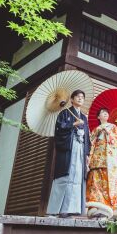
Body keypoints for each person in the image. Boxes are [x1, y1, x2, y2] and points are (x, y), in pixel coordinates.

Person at [46, 89, 91, 217]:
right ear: (71, 99)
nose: (80, 99)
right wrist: (73, 124)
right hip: (69, 149)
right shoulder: (65, 113)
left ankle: (70, 209)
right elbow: (59, 129)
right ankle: (56, 210)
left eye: (82, 97)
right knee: (65, 177)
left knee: (77, 178)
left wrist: (87, 154)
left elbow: (87, 137)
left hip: (81, 150)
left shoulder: (83, 116)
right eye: (77, 97)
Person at [86, 107, 117, 219]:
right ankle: (95, 209)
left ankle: (105, 210)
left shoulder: (113, 127)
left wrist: (109, 134)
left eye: (107, 112)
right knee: (95, 182)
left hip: (108, 160)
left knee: (107, 183)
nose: (105, 114)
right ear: (98, 117)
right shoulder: (96, 129)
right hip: (97, 158)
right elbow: (90, 143)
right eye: (102, 113)